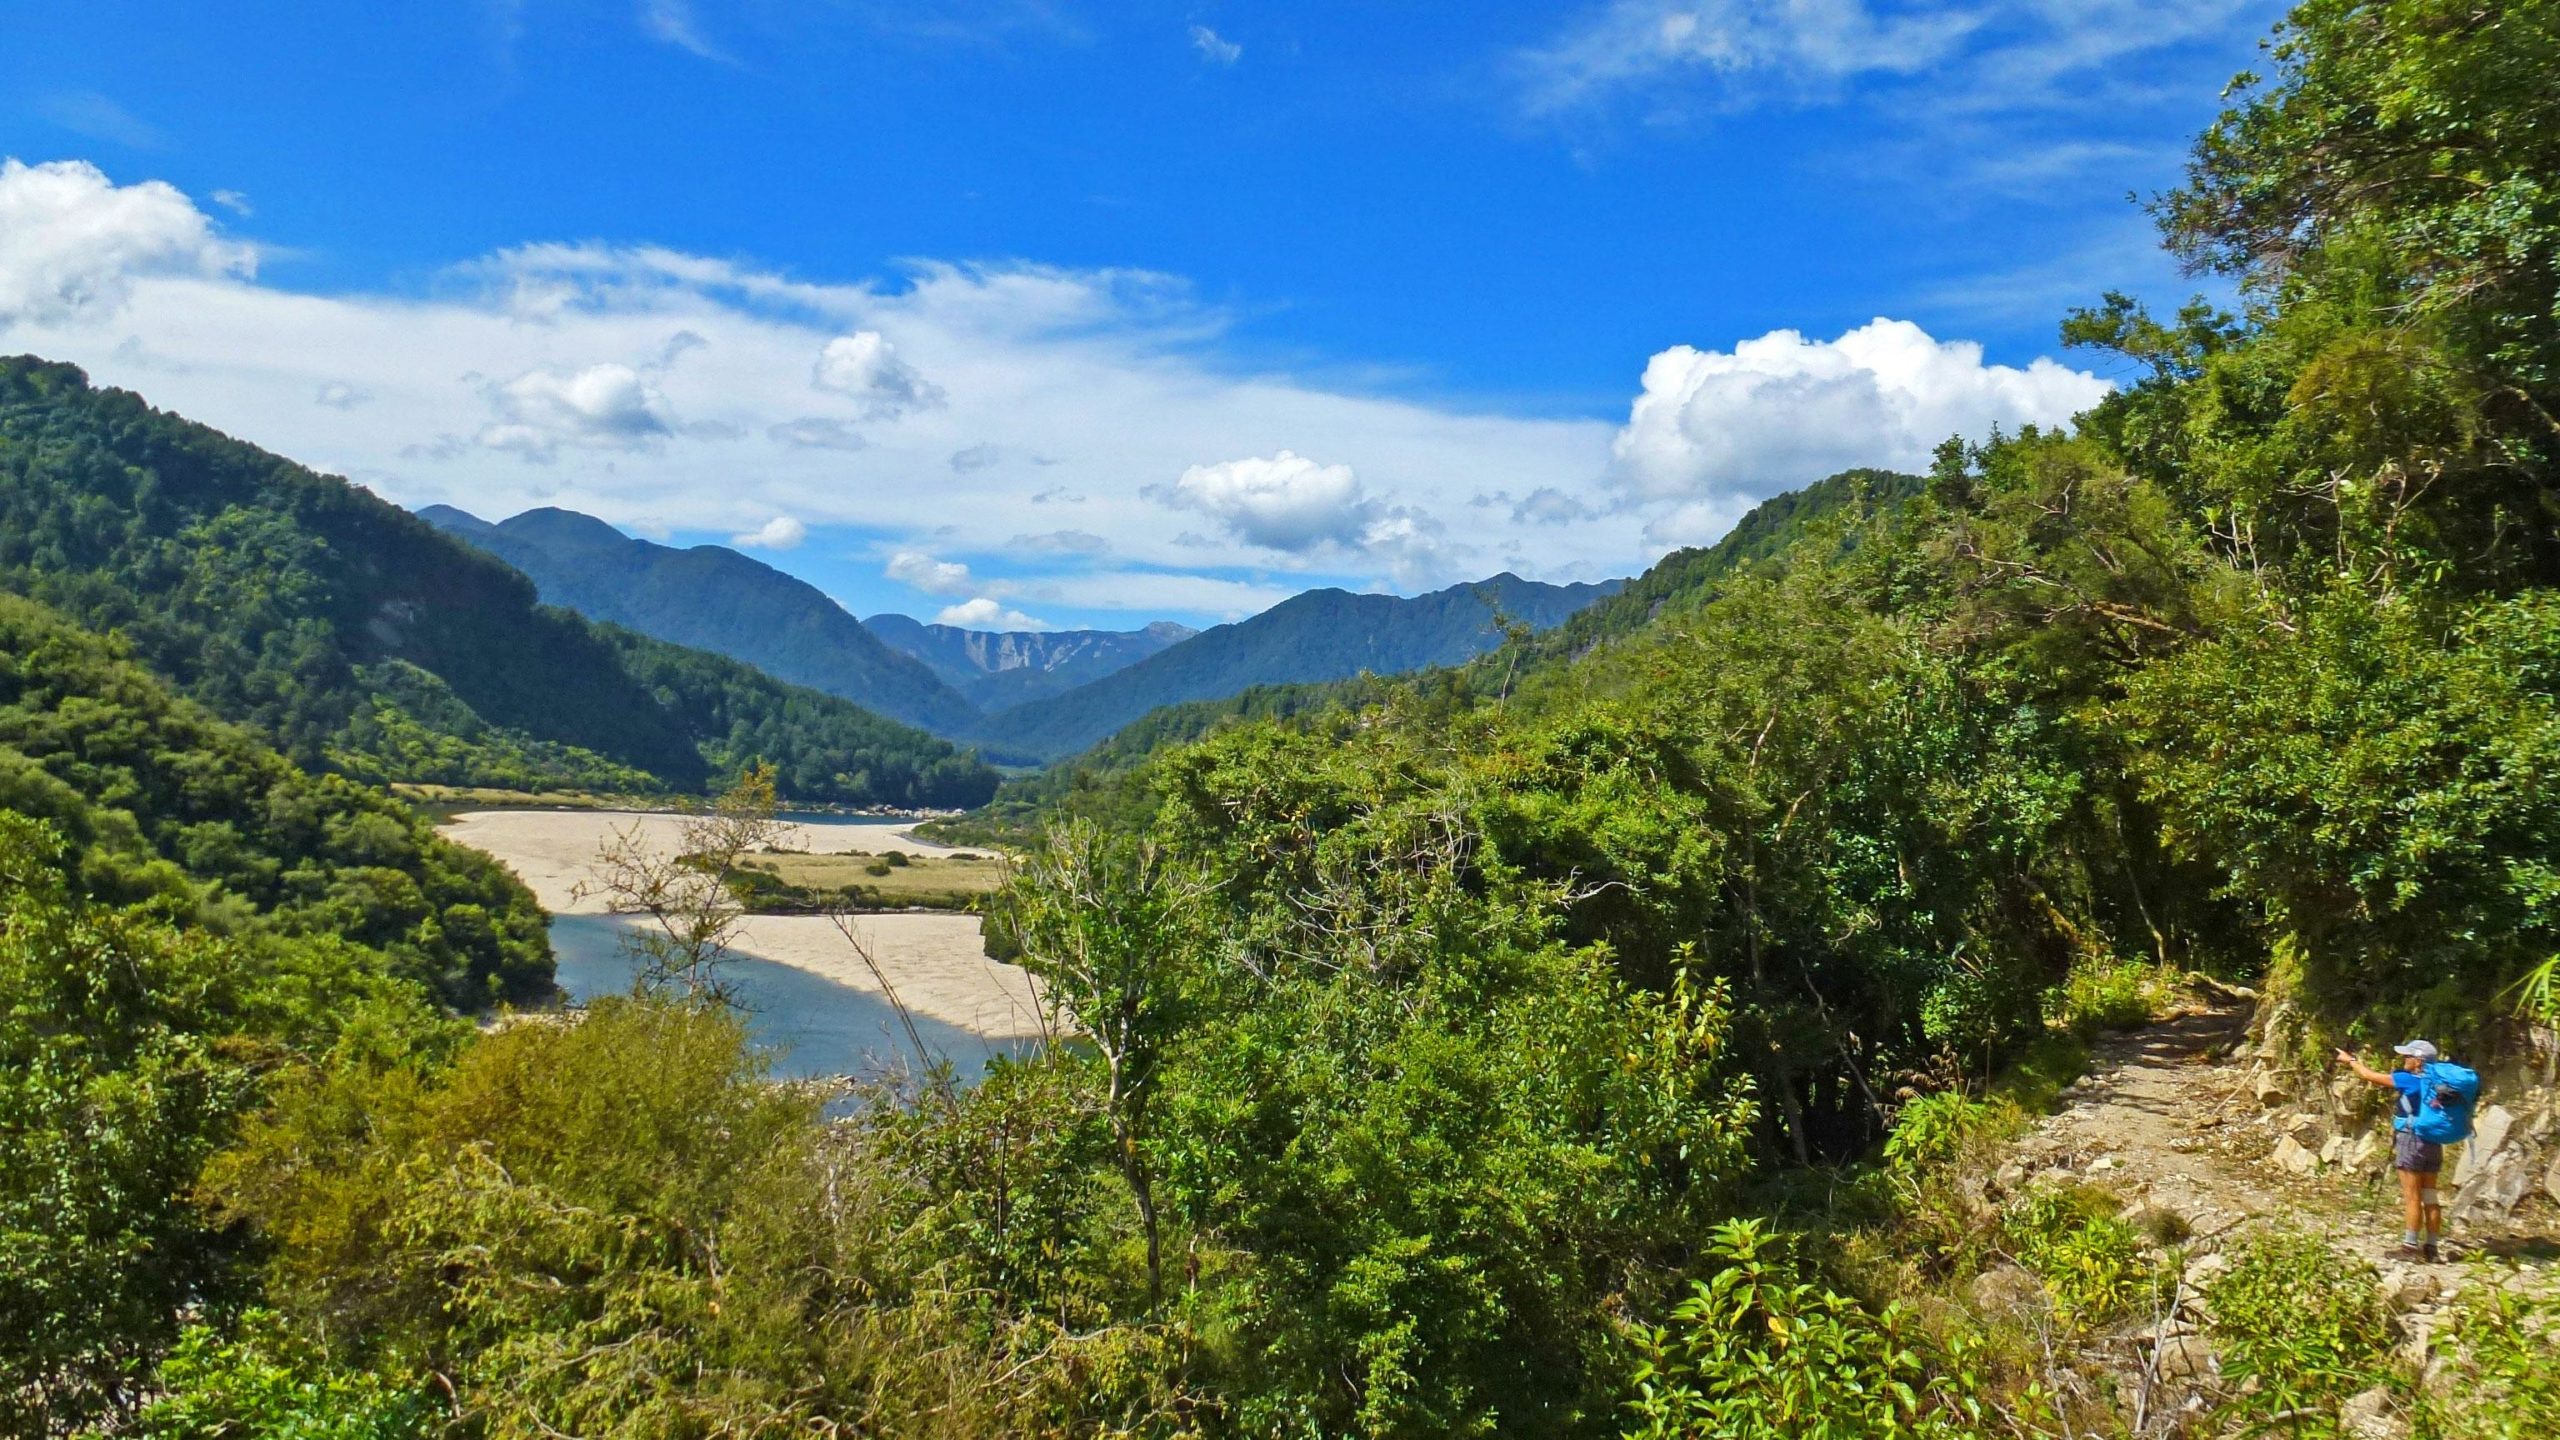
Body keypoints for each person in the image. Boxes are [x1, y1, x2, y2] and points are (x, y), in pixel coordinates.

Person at [2334, 1040, 2452, 1261]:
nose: (2404, 1059)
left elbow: (2369, 1076)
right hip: (2433, 1141)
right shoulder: (2439, 1083)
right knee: (2430, 1196)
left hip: (2411, 1140)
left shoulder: (2408, 1080)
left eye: (2408, 1057)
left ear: (2418, 1062)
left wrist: (2350, 1060)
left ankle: (2409, 1247)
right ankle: (2432, 1248)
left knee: (2412, 1196)